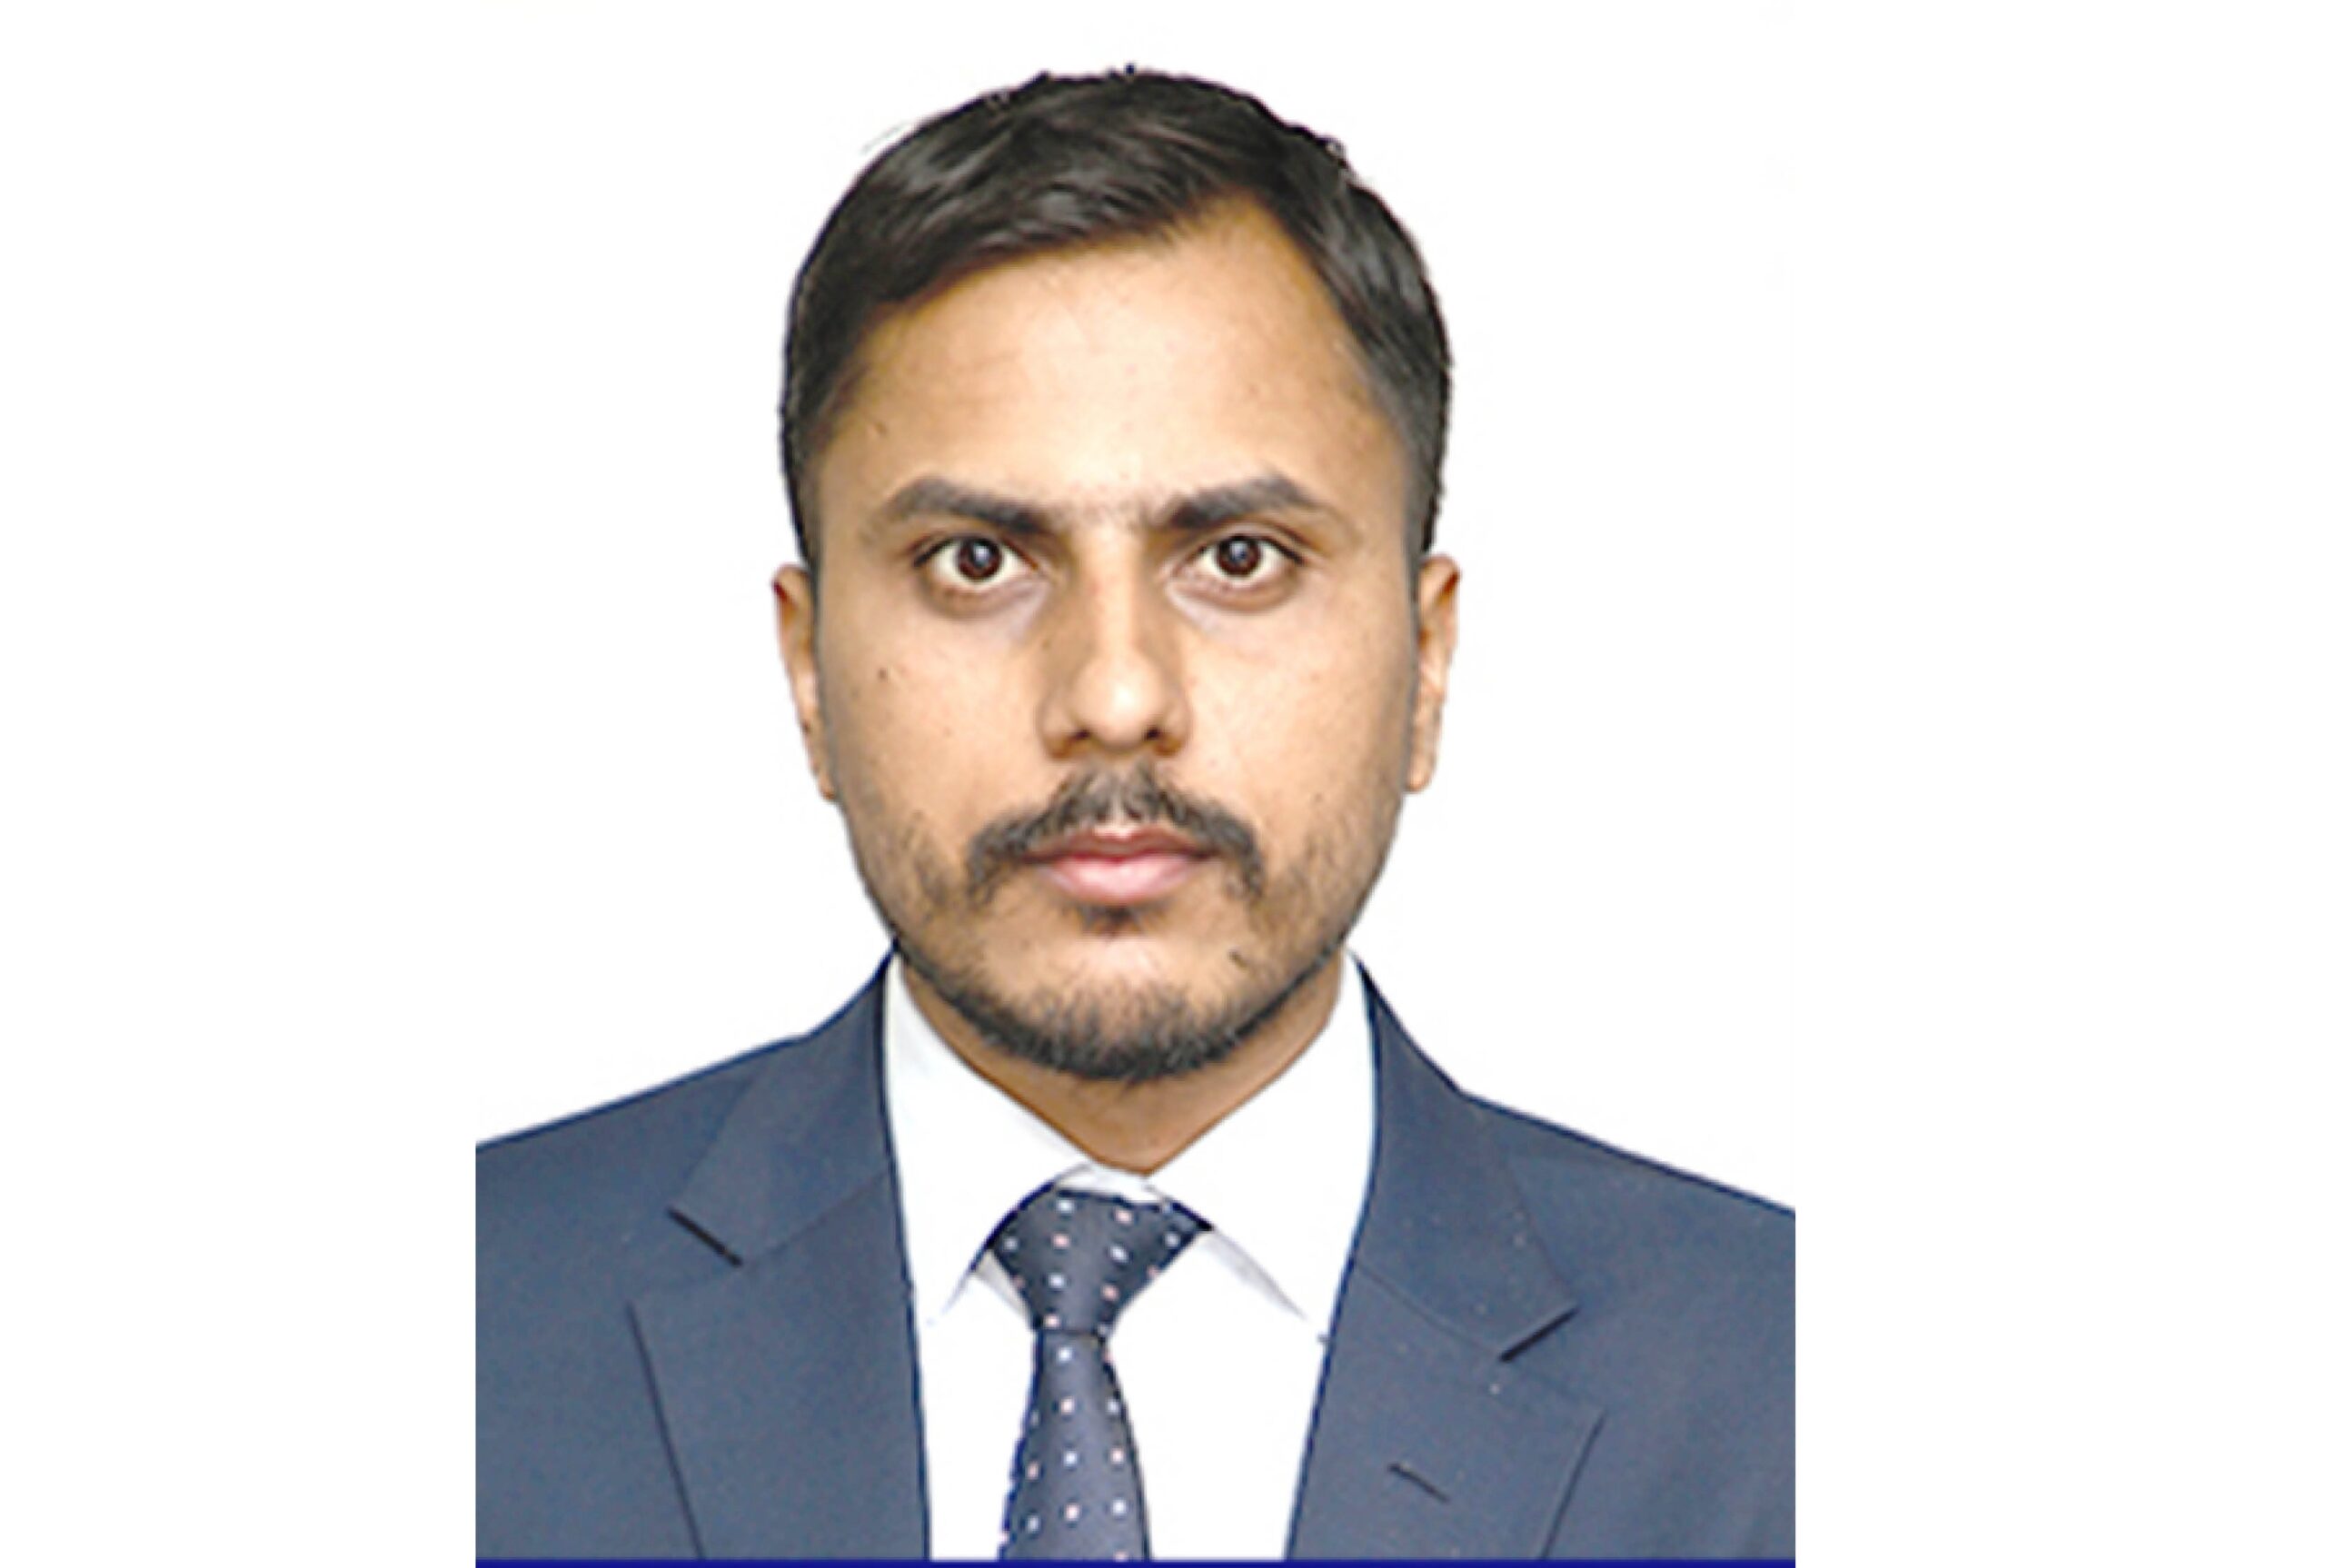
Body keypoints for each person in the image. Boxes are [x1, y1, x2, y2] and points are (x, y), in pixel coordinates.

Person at [476, 68, 1792, 1561]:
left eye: (1238, 557)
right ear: (809, 667)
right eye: (978, 561)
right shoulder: (467, 1319)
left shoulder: (1789, 1381)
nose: (1113, 694)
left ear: (1426, 662)